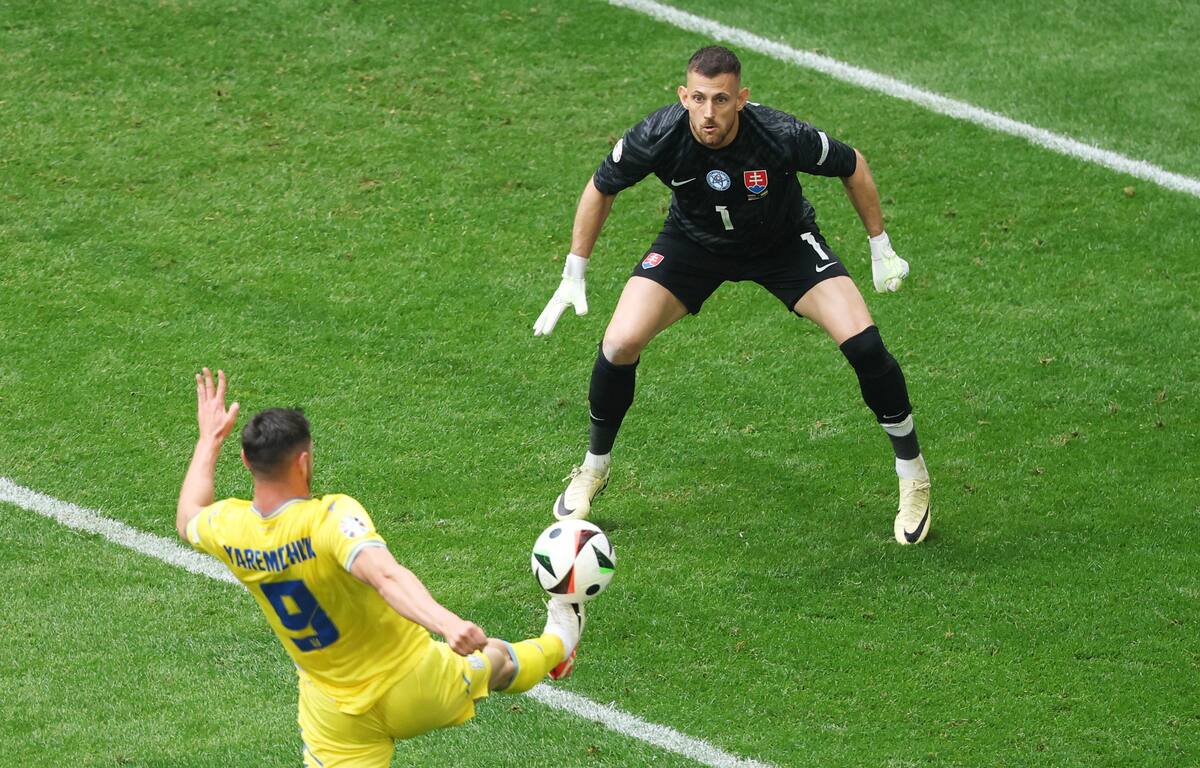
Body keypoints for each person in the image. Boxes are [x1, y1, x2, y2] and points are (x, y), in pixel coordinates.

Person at [533, 46, 932, 545]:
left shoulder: (781, 135)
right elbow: (600, 187)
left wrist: (880, 246)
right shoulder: (660, 134)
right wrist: (574, 271)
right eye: (697, 98)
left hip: (781, 243)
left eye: (720, 100)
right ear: (683, 96)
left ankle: (912, 475)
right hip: (693, 245)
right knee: (618, 344)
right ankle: (593, 468)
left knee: (865, 346)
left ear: (741, 99)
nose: (708, 113)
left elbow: (853, 165)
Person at [176, 368, 586, 767]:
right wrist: (447, 623)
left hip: (334, 714)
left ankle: (555, 647)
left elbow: (188, 515)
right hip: (415, 684)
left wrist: (209, 440)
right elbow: (385, 576)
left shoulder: (230, 528)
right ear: (303, 462)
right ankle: (560, 643)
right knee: (497, 661)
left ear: (246, 462)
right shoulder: (330, 517)